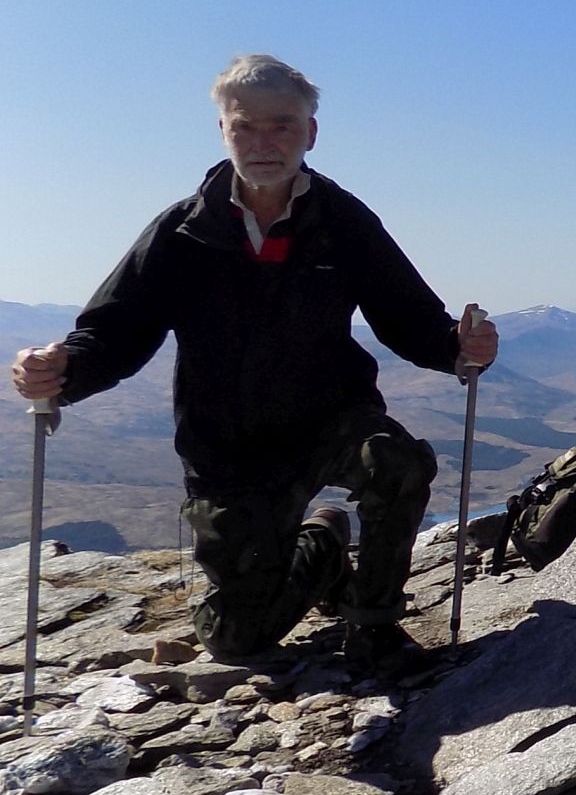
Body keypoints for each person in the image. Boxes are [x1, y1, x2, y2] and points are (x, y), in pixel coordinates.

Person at [8, 54, 498, 669]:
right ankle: (322, 544)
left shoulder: (342, 222)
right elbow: (115, 332)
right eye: (246, 126)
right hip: (227, 446)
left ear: (310, 133)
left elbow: (408, 317)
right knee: (237, 638)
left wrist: (458, 346)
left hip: (331, 418)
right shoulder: (181, 234)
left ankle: (373, 626)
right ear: (223, 131)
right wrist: (62, 370)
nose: (264, 142)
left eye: (282, 125)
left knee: (395, 463)